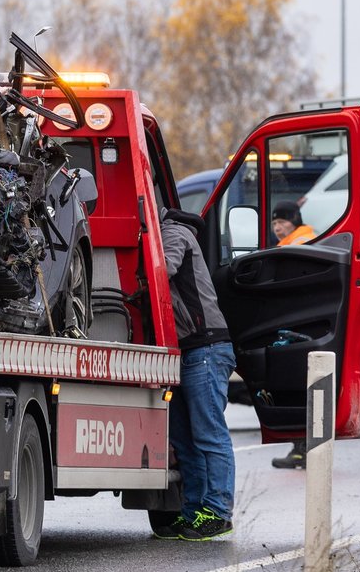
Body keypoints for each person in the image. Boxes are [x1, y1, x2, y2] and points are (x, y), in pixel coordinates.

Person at [153, 208, 236, 541]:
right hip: (188, 352)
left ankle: (218, 512)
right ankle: (193, 512)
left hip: (206, 349)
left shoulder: (173, 233)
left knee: (208, 435)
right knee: (186, 442)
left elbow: (162, 270)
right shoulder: (172, 233)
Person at [269, 200, 315, 469]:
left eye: (281, 222)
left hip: (298, 323)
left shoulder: (299, 243)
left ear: (294, 220)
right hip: (303, 322)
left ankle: (302, 449)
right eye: (274, 223)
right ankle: (302, 449)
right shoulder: (300, 240)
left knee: (298, 387)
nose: (277, 227)